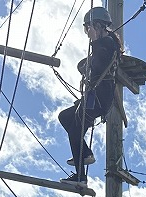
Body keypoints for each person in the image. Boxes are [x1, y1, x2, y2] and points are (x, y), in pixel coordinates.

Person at [60, 6, 122, 184]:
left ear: (98, 26)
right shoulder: (105, 43)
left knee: (75, 130)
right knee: (65, 117)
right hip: (96, 97)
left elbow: (100, 65)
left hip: (99, 98)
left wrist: (95, 41)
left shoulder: (107, 43)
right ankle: (85, 153)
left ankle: (80, 176)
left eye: (89, 28)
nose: (88, 33)